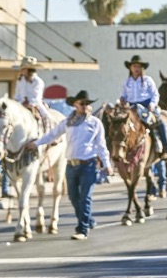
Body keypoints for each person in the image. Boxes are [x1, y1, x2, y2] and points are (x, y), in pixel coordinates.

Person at [27, 90, 112, 240]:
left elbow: (101, 145)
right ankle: (89, 220)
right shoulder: (67, 122)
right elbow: (52, 135)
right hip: (71, 165)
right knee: (73, 197)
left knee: (85, 198)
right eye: (82, 103)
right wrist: (36, 143)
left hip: (88, 165)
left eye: (87, 104)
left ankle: (82, 229)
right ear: (75, 105)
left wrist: (107, 164)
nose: (85, 106)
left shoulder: (95, 123)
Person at [120, 55, 167, 159]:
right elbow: (123, 95)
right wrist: (122, 100)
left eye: (138, 66)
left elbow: (155, 94)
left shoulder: (148, 80)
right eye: (134, 66)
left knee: (158, 122)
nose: (136, 69)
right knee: (118, 123)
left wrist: (152, 105)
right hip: (131, 107)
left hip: (146, 106)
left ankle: (166, 148)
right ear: (130, 68)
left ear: (142, 68)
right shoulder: (127, 82)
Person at [13, 56, 52, 132]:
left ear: (29, 70)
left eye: (23, 69)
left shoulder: (38, 82)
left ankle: (48, 133)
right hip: (20, 104)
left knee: (46, 116)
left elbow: (36, 97)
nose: (21, 70)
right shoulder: (20, 80)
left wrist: (29, 103)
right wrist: (16, 102)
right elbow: (17, 94)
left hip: (35, 104)